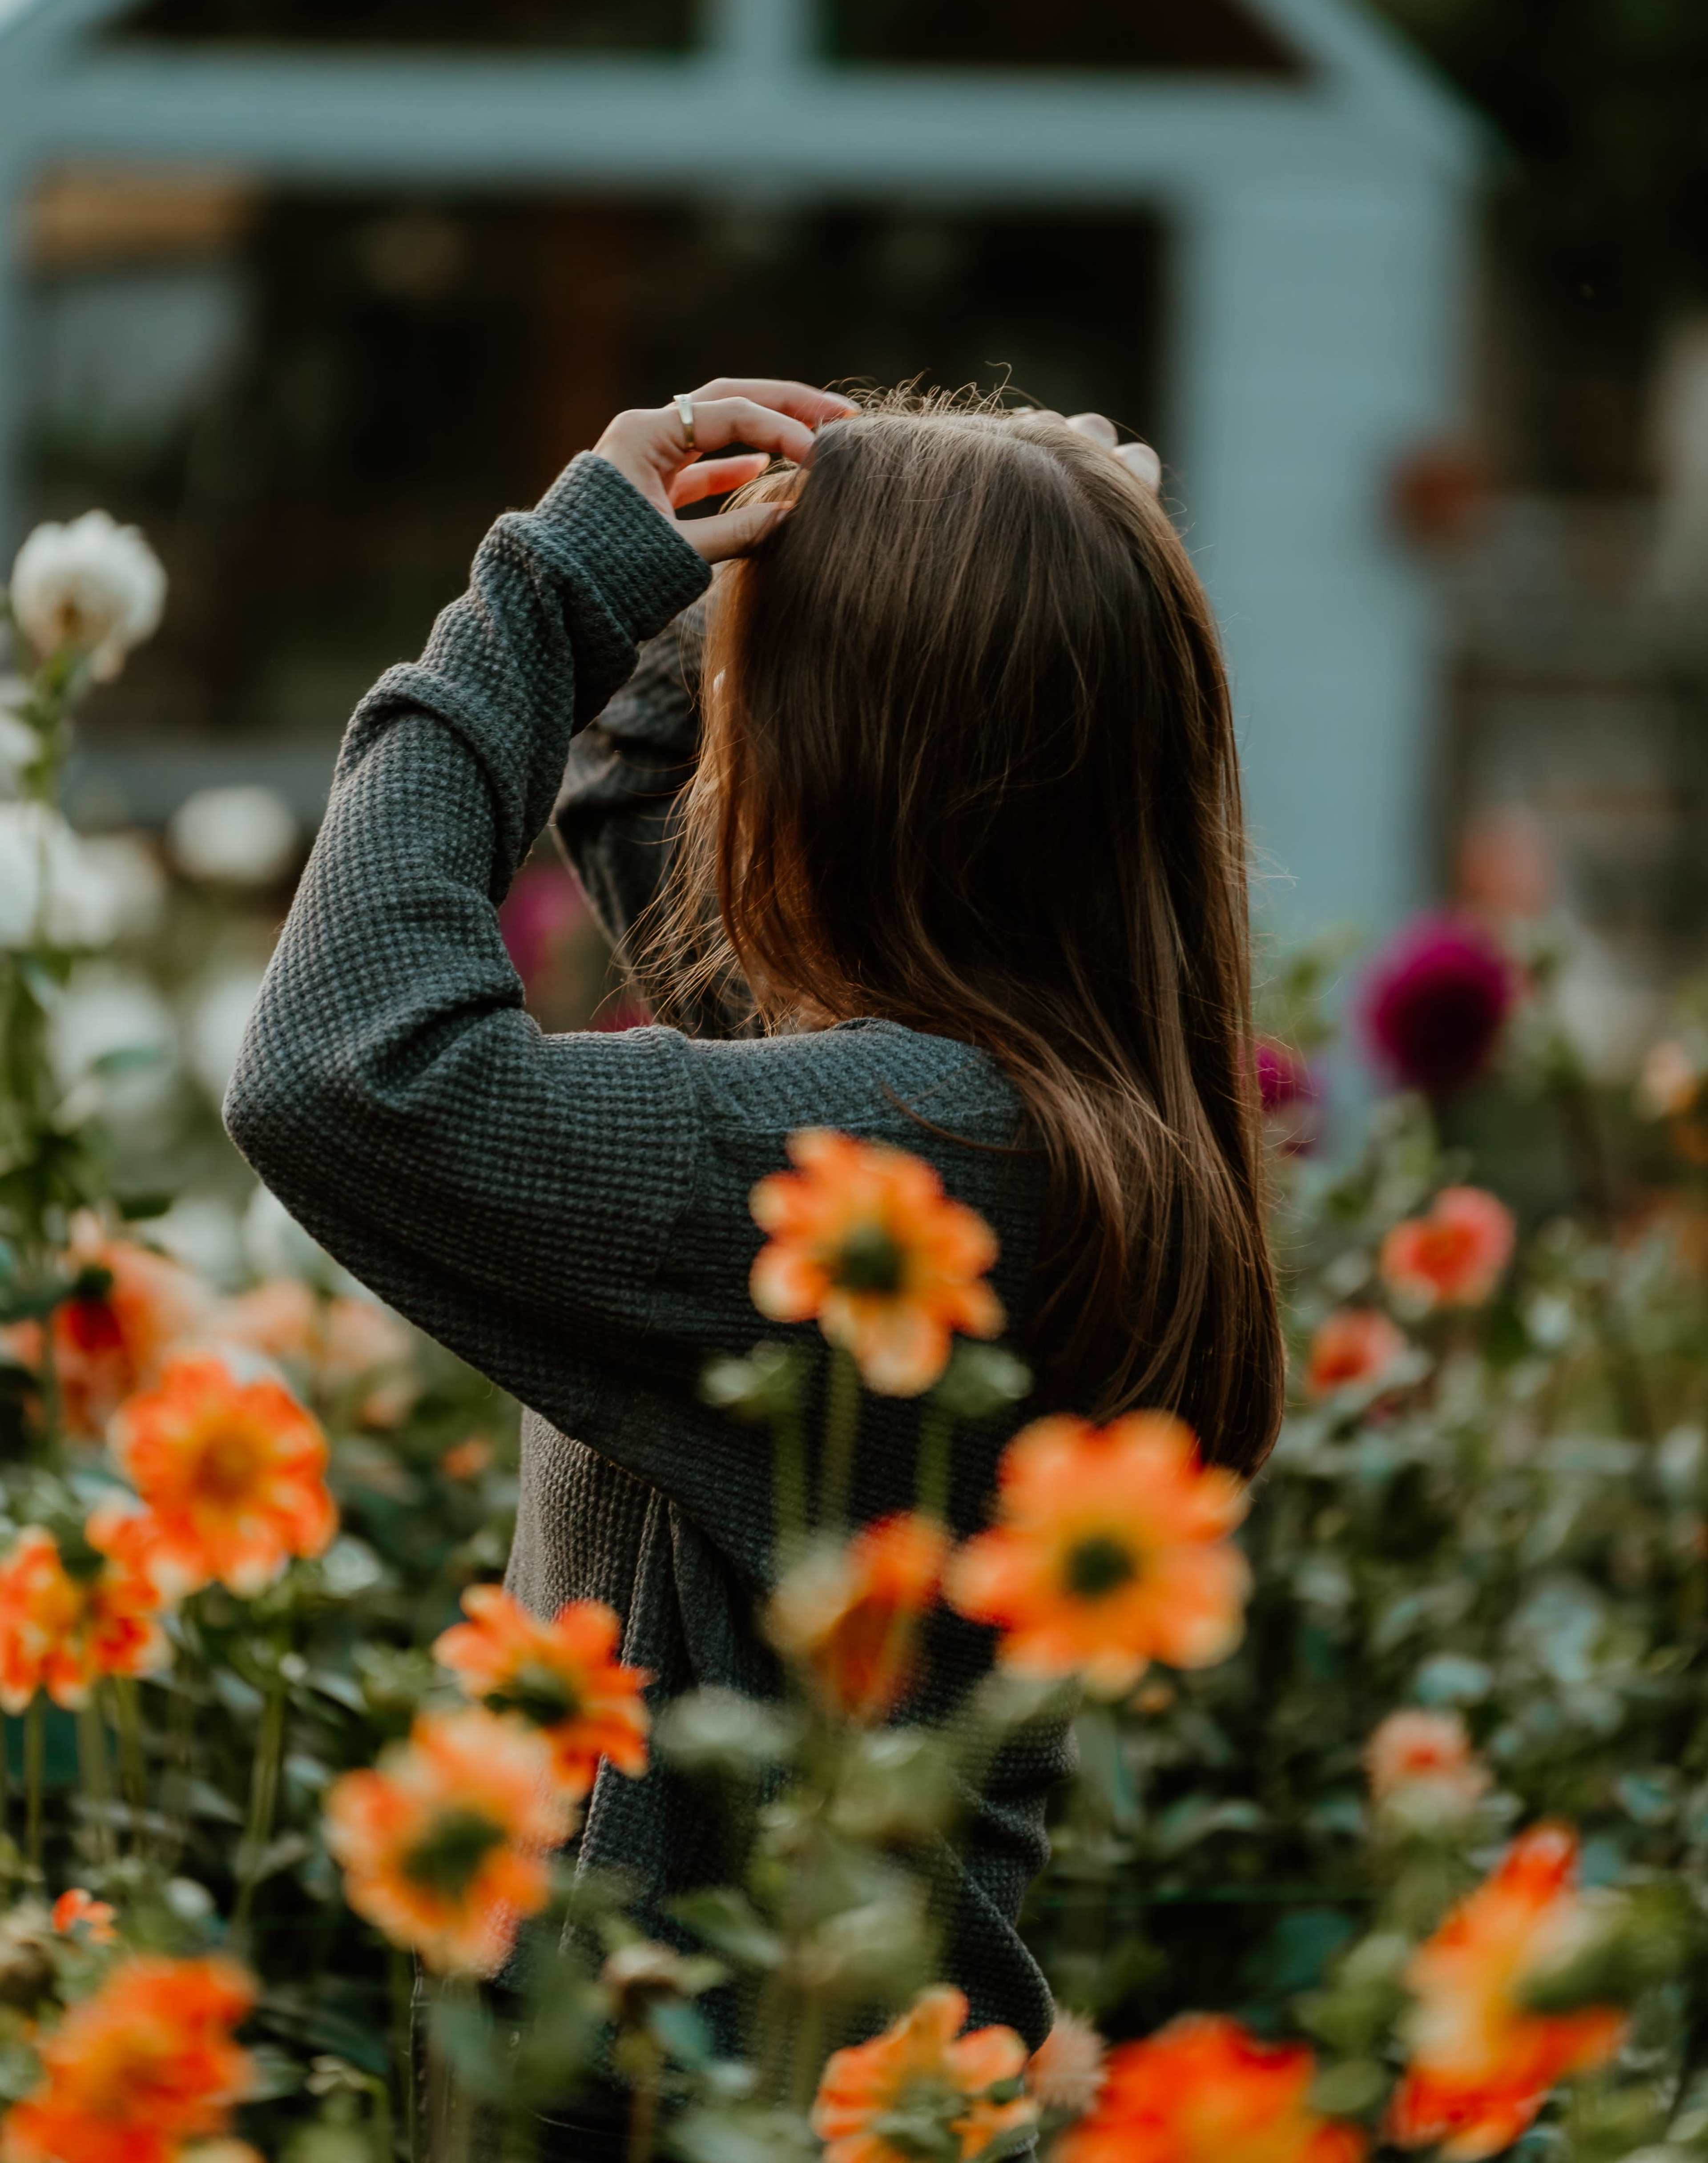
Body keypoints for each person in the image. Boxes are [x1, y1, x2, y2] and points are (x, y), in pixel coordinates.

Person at [225, 377, 1283, 2155]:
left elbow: (349, 1068)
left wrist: (558, 584)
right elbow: (653, 791)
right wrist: (972, 547)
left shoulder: (885, 1154)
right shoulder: (1032, 1130)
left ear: (843, 772)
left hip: (708, 2101)